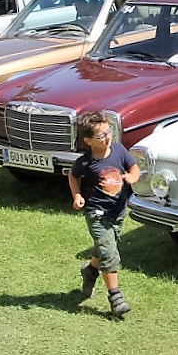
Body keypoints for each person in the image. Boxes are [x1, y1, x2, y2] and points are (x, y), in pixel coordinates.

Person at [69, 112, 139, 318]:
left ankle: (90, 270)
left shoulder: (118, 151)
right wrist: (77, 196)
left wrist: (131, 177)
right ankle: (115, 298)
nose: (107, 137)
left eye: (109, 132)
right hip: (96, 213)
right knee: (110, 252)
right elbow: (72, 176)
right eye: (101, 136)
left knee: (106, 247)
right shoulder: (86, 162)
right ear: (88, 141)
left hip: (118, 211)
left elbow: (134, 168)